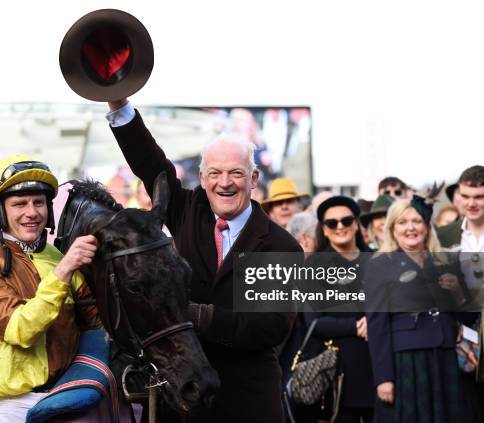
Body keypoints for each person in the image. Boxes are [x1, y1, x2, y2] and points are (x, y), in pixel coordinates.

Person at [105, 99, 301, 423]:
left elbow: (271, 327)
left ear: (253, 179)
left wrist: (200, 316)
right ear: (202, 177)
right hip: (182, 401)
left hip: (246, 403)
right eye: (215, 173)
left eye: (236, 173)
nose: (225, 183)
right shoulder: (187, 209)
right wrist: (118, 103)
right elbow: (151, 165)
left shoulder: (282, 246)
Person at [0, 155, 101, 422]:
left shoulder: (58, 257)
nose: (32, 212)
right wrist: (63, 272)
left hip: (70, 398)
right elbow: (19, 330)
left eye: (39, 202)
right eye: (19, 204)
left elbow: (95, 323)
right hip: (17, 406)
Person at [365, 194, 475, 423]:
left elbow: (468, 315)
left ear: (426, 226)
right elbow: (377, 324)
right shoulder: (380, 264)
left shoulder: (445, 259)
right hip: (406, 359)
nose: (410, 228)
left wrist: (457, 293)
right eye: (403, 222)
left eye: (416, 221)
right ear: (392, 229)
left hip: (445, 357)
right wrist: (384, 378)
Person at [304, 196, 375, 423]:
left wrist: (376, 322)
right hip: (338, 375)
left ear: (356, 223)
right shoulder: (313, 268)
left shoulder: (377, 260)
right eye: (332, 223)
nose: (340, 226)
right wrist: (356, 326)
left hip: (381, 367)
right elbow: (313, 323)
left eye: (346, 220)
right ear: (324, 230)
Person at [436, 165, 484, 421]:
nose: (471, 203)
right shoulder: (443, 236)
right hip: (459, 336)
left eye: (479, 196)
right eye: (466, 196)